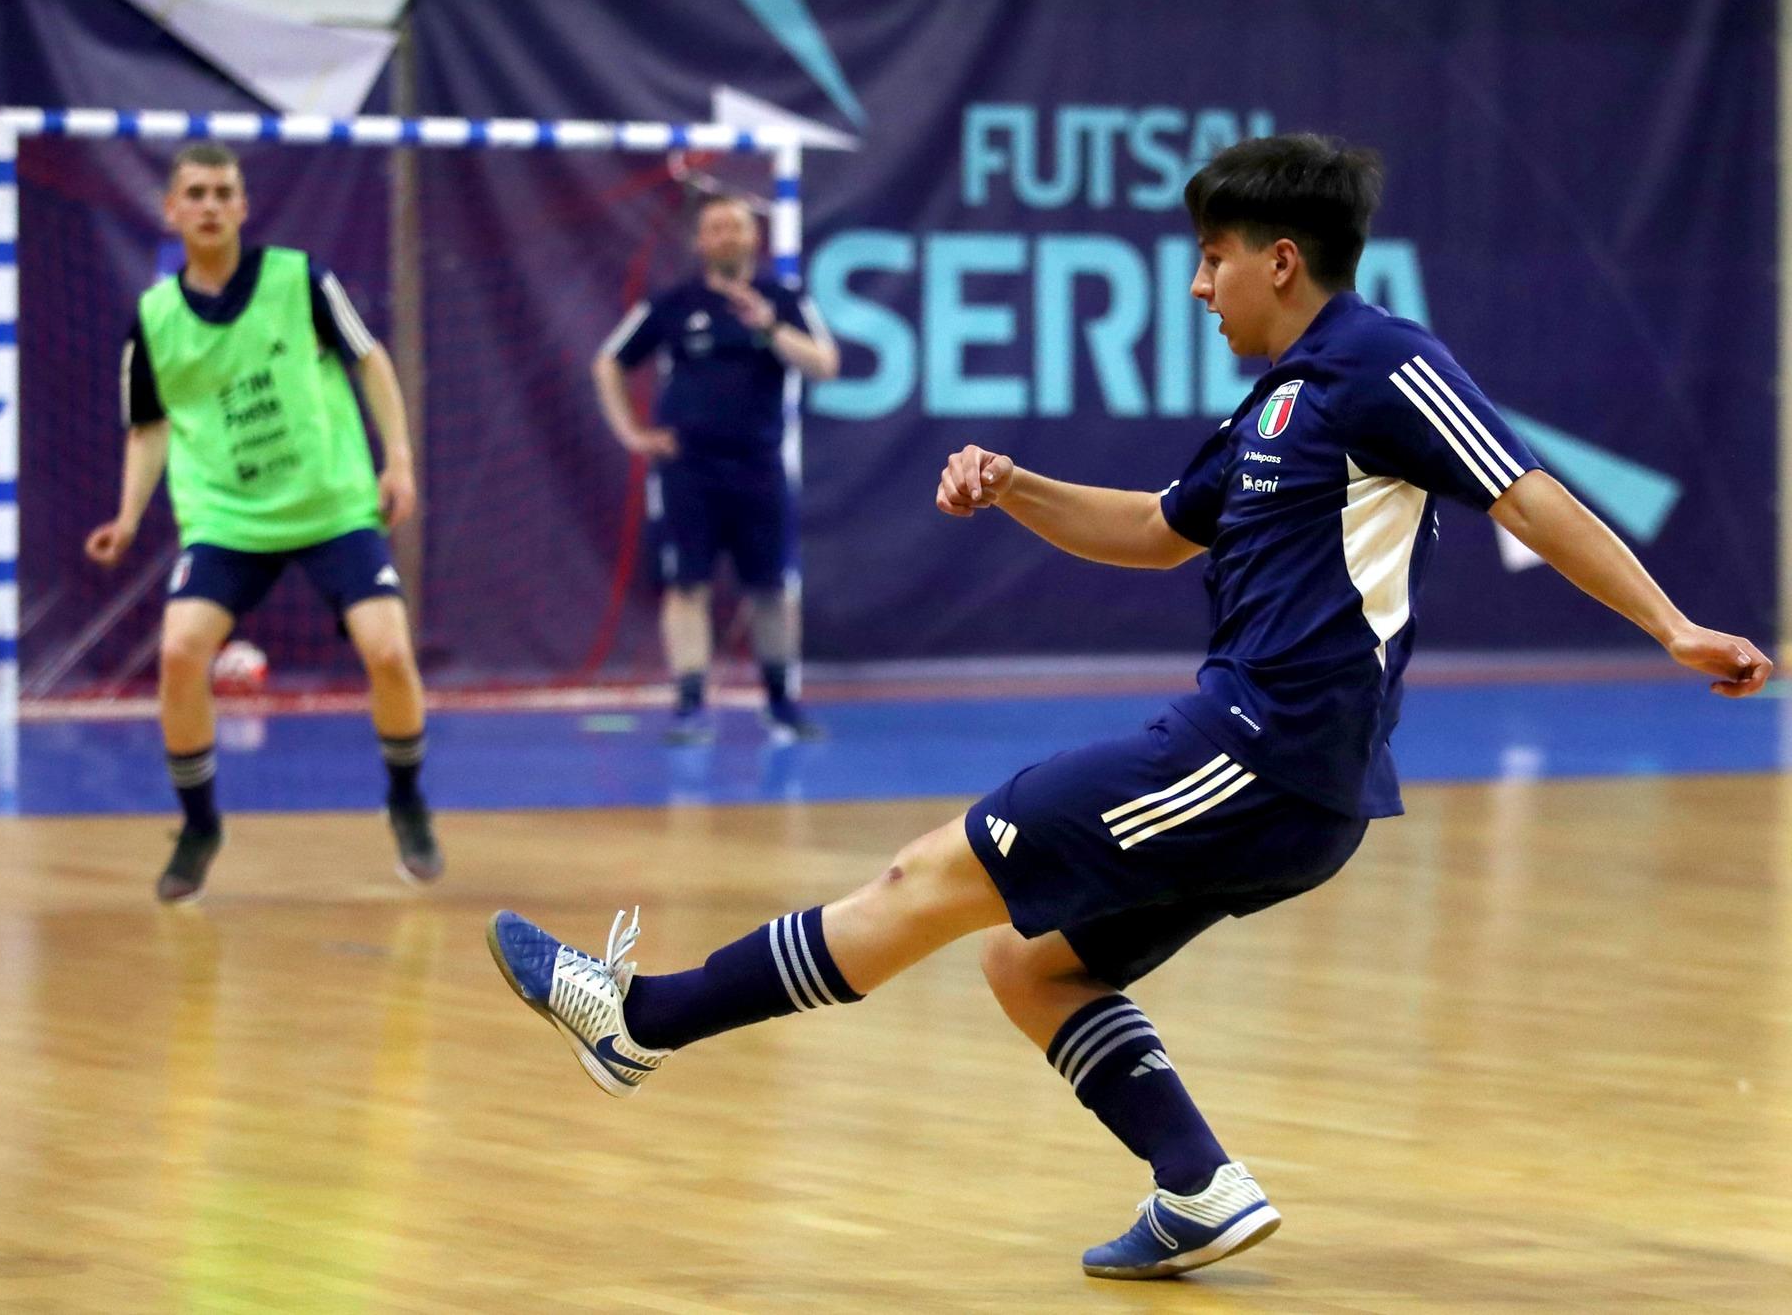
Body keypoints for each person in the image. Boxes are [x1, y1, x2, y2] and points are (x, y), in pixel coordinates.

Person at [486, 134, 1772, 1279]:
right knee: (1031, 963)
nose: (1200, 286)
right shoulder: (1271, 403)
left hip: (1263, 751)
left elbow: (1523, 492)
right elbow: (1160, 533)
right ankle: (1199, 1190)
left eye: (1212, 260)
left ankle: (638, 1022)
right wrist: (1014, 483)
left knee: (926, 877)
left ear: (1281, 260)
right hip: (1283, 777)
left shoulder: (1384, 363)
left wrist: (1669, 626)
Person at [85, 142, 442, 903]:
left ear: (243, 207)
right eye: (196, 193)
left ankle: (406, 798)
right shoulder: (153, 317)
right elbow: (147, 427)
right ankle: (198, 823)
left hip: (331, 502)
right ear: (172, 210)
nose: (211, 205)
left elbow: (370, 360)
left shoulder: (299, 278)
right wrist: (125, 515)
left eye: (223, 192)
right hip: (225, 515)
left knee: (389, 653)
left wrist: (398, 459)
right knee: (181, 652)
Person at [592, 193, 840, 744]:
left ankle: (781, 703)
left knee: (772, 586)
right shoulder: (673, 304)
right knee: (687, 584)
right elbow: (609, 361)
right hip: (689, 469)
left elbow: (824, 363)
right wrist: (631, 433)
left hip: (759, 467)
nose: (727, 236)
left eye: (736, 227)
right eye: (715, 228)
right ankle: (689, 705)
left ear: (755, 237)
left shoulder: (783, 298)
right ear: (700, 242)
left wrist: (770, 326)